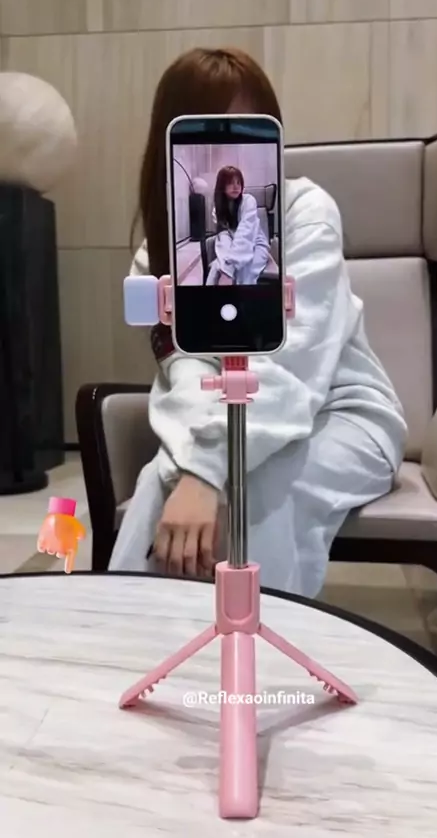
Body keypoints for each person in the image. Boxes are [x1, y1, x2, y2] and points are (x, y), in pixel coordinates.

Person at [109, 47, 407, 597]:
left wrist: (206, 470)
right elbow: (186, 373)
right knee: (157, 483)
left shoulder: (306, 212)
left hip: (341, 414)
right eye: (211, 138)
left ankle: (258, 643)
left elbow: (294, 365)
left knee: (260, 489)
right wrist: (193, 467)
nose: (235, 161)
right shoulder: (161, 252)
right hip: (225, 415)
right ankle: (127, 632)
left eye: (251, 133)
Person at [206, 165, 270, 285]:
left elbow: (246, 233)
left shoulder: (249, 201)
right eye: (231, 183)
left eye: (238, 182)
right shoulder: (217, 210)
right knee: (216, 268)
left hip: (256, 245)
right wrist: (226, 268)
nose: (236, 186)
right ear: (222, 186)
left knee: (245, 271)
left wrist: (230, 266)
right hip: (232, 247)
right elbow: (223, 239)